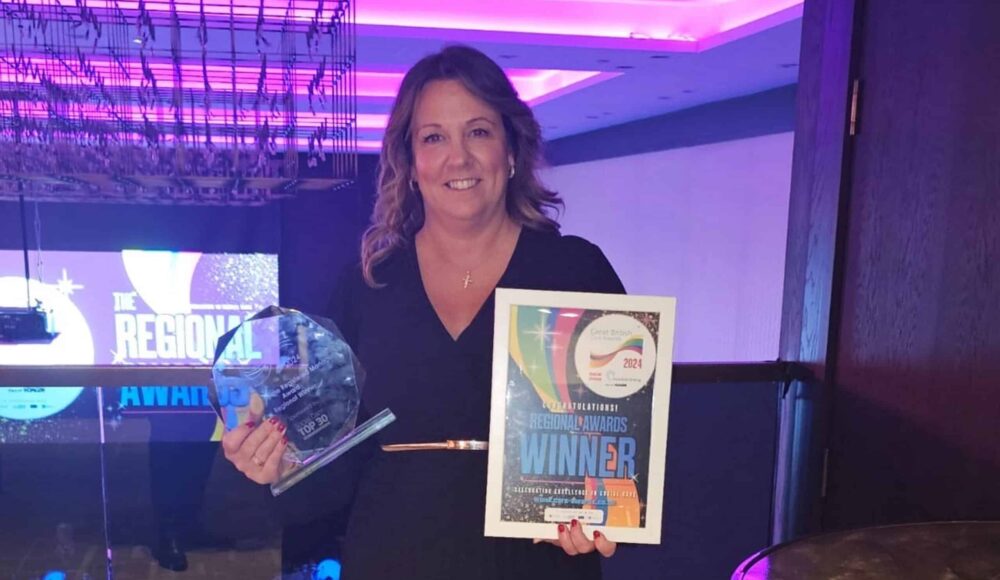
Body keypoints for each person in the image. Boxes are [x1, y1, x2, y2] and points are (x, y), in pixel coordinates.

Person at [222, 45, 625, 579]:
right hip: (393, 555)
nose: (459, 158)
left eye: (478, 131)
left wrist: (604, 511)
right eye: (434, 138)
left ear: (511, 149)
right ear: (410, 163)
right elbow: (330, 459)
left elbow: (617, 441)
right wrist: (273, 463)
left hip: (535, 562)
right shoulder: (367, 285)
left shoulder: (575, 272)